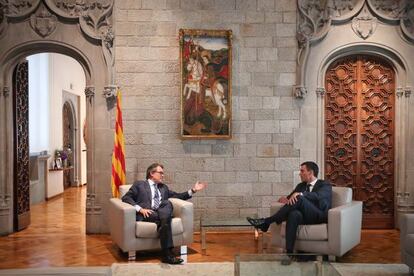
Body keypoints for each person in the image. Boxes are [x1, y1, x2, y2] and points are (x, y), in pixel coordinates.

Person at [122, 163, 207, 264]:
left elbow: (177, 196)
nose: (163, 175)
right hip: (147, 213)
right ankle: (167, 253)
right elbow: (126, 197)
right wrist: (140, 209)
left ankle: (167, 254)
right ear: (152, 173)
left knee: (167, 203)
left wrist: (193, 190)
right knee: (166, 218)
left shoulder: (163, 187)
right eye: (160, 173)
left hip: (161, 213)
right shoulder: (139, 184)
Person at [246, 161, 332, 255]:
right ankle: (289, 253)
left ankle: (267, 222)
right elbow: (290, 199)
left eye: (302, 171)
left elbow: (318, 195)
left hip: (319, 215)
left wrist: (300, 194)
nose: (300, 174)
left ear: (310, 172)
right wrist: (284, 199)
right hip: (304, 217)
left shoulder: (324, 184)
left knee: (299, 198)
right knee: (293, 214)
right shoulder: (301, 185)